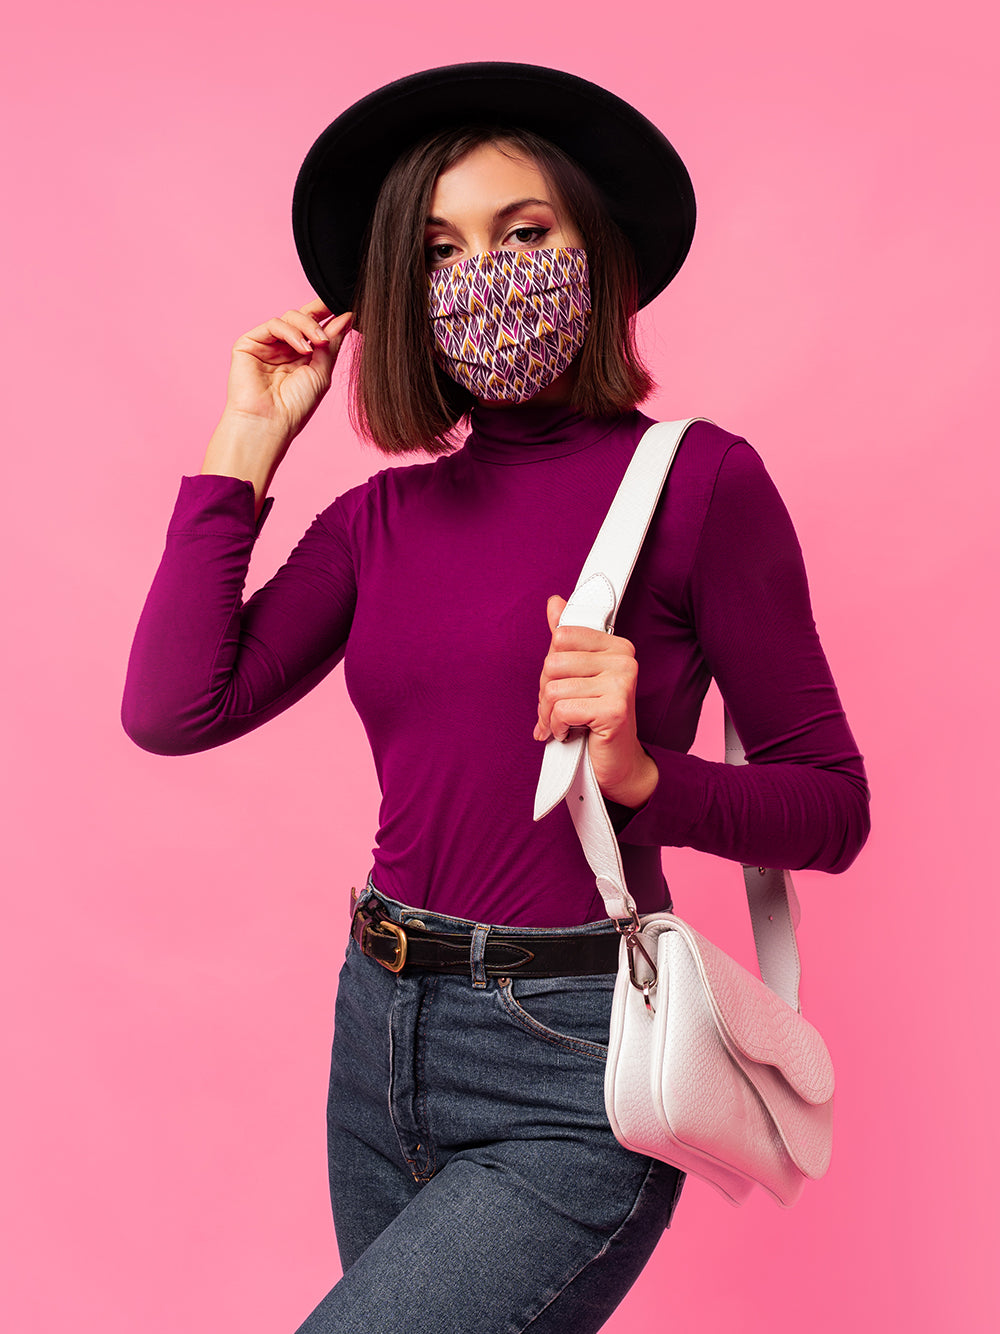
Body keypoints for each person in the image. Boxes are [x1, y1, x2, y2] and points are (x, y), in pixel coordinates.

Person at [122, 62, 869, 1334]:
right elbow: (173, 705)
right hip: (379, 1027)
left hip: (573, 1059)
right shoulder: (379, 520)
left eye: (524, 234)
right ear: (400, 299)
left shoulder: (699, 485)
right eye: (439, 251)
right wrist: (248, 440)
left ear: (595, 257)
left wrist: (641, 772)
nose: (487, 273)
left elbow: (832, 809)